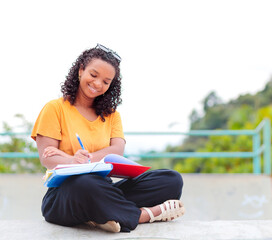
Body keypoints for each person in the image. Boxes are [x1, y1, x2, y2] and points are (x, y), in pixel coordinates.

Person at [31, 44, 185, 233]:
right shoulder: (54, 108)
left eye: (106, 81)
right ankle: (143, 215)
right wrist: (72, 160)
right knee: (85, 183)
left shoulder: (112, 116)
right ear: (81, 70)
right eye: (93, 75)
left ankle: (102, 214)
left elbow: (116, 151)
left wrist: (78, 160)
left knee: (171, 180)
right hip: (66, 194)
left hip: (103, 188)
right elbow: (47, 158)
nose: (97, 84)